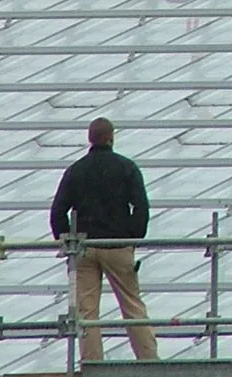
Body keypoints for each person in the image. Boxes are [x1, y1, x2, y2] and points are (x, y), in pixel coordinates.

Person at [49, 117, 158, 361]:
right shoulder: (127, 168)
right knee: (132, 306)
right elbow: (141, 207)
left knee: (87, 312)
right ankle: (149, 361)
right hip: (118, 245)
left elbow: (57, 212)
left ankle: (92, 365)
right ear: (112, 137)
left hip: (85, 247)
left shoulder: (76, 170)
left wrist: (68, 241)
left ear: (90, 139)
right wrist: (132, 236)